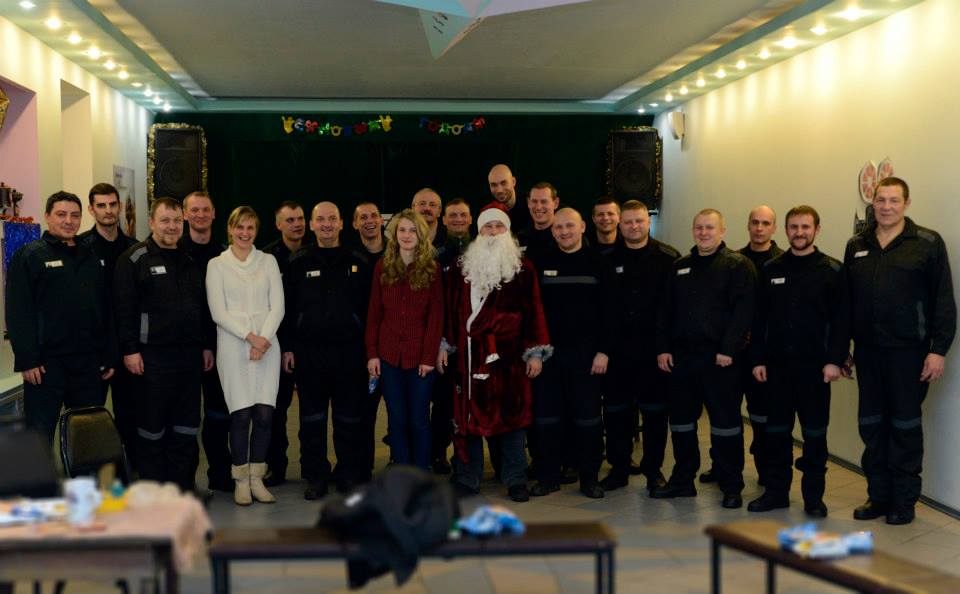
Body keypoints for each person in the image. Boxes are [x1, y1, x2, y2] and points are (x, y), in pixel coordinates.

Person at [845, 177, 956, 525]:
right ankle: (878, 496)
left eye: (894, 200)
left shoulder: (927, 243)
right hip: (867, 353)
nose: (886, 206)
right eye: (881, 200)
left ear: (906, 203)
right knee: (871, 425)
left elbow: (943, 300)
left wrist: (938, 350)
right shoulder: (857, 244)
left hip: (909, 354)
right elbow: (846, 303)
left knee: (904, 427)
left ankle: (903, 502)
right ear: (873, 203)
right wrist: (841, 349)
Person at [441, 203, 551, 501]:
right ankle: (468, 477)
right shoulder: (461, 267)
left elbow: (534, 312)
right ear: (479, 231)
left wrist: (535, 352)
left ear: (507, 230)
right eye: (487, 226)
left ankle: (515, 479)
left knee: (512, 419)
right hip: (469, 357)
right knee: (467, 419)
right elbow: (450, 310)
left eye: (498, 226)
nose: (492, 232)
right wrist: (445, 345)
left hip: (509, 359)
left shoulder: (522, 268)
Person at [748, 205, 848, 517]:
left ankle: (813, 498)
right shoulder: (771, 269)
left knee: (815, 436)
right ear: (786, 230)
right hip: (777, 369)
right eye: (794, 227)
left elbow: (842, 321)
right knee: (776, 434)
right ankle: (776, 493)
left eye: (805, 227)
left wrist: (834, 360)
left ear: (817, 230)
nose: (799, 232)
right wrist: (757, 359)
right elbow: (759, 319)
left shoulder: (832, 270)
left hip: (816, 370)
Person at [653, 208, 754, 509]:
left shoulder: (737, 265)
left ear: (722, 231)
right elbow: (665, 312)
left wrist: (728, 349)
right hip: (682, 360)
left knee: (726, 424)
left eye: (710, 227)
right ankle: (683, 480)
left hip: (720, 361)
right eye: (699, 227)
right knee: (681, 423)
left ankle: (731, 484)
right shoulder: (680, 267)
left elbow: (743, 312)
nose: (704, 233)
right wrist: (663, 348)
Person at [114, 197, 215, 492]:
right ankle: (153, 490)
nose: (172, 227)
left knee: (186, 427)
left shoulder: (189, 259)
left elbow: (201, 308)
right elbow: (124, 310)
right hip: (151, 358)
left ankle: (182, 488)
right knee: (151, 428)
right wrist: (131, 350)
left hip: (189, 357)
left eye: (176, 221)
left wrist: (205, 346)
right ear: (152, 222)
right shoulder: (134, 259)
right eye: (165, 220)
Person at [6, 191, 114, 444]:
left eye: (75, 215)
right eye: (61, 214)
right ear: (47, 216)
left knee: (89, 436)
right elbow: (18, 310)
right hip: (45, 366)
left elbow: (104, 308)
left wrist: (109, 353)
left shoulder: (90, 256)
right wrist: (28, 360)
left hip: (87, 363)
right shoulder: (30, 255)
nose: (68, 221)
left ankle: (84, 475)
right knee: (39, 437)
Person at [281, 202, 373, 499]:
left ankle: (348, 474)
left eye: (332, 219)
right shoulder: (297, 261)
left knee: (349, 418)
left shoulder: (359, 260)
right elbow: (286, 309)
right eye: (320, 219)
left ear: (342, 223)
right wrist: (288, 348)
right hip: (309, 353)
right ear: (312, 224)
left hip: (351, 352)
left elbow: (371, 309)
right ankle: (315, 476)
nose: (327, 224)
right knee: (312, 418)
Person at [531, 207, 615, 499]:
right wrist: (534, 352)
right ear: (552, 231)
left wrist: (603, 351)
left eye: (569, 225)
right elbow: (532, 311)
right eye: (558, 227)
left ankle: (589, 478)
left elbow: (610, 312)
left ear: (582, 227)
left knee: (588, 420)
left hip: (587, 358)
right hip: (548, 357)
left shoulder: (598, 263)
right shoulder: (541, 262)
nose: (564, 231)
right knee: (547, 420)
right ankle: (548, 477)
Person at [206, 206, 285, 506]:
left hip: (268, 344)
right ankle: (240, 480)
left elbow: (278, 306)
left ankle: (256, 478)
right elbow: (218, 312)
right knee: (240, 414)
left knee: (264, 414)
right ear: (230, 229)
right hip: (233, 345)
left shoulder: (268, 261)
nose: (245, 233)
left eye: (250, 228)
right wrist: (250, 337)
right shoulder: (217, 265)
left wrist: (263, 339)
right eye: (240, 227)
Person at [601, 200, 679, 494]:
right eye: (628, 222)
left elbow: (674, 309)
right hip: (617, 353)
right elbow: (602, 309)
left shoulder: (669, 258)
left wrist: (666, 347)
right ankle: (618, 469)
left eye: (639, 221)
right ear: (620, 225)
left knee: (656, 415)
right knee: (616, 414)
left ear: (648, 222)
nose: (634, 226)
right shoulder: (606, 259)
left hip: (654, 353)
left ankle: (653, 471)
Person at [365, 209, 444, 470]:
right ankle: (401, 472)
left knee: (419, 419)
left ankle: (421, 473)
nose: (407, 235)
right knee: (396, 419)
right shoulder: (382, 267)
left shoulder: (432, 269)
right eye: (402, 230)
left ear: (421, 235)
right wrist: (372, 353)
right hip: (388, 358)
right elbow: (374, 314)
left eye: (412, 231)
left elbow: (436, 317)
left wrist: (428, 357)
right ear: (394, 234)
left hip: (420, 359)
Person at [77, 183, 138, 461]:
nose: (108, 210)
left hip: (128, 348)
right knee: (90, 418)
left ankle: (131, 472)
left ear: (120, 207)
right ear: (92, 210)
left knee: (131, 415)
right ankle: (94, 475)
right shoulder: (80, 248)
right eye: (101, 205)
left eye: (113, 204)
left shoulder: (134, 248)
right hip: (94, 350)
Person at [179, 191, 233, 493]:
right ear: (185, 215)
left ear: (214, 214)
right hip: (185, 348)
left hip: (220, 348)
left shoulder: (226, 255)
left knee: (218, 415)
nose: (200, 215)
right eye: (194, 210)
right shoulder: (175, 252)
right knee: (185, 418)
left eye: (205, 210)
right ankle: (185, 479)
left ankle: (220, 474)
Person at [261, 201, 305, 487]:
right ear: (278, 224)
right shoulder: (266, 258)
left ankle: (312, 467)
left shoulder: (313, 252)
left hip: (309, 345)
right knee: (276, 411)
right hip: (276, 346)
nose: (296, 224)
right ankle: (276, 466)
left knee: (311, 411)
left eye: (300, 219)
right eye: (289, 220)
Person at [430, 198, 473, 474]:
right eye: (453, 215)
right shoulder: (436, 256)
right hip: (445, 343)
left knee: (474, 401)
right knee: (444, 403)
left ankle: (468, 457)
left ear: (470, 219)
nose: (458, 219)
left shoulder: (480, 251)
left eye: (463, 215)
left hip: (474, 343)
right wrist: (440, 341)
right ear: (444, 220)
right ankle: (438, 453)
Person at [516, 182, 560, 268]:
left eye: (544, 201)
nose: (538, 207)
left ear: (556, 203)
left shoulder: (566, 237)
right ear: (528, 202)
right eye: (534, 201)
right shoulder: (519, 239)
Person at [488, 164, 532, 232]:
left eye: (503, 183)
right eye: (494, 185)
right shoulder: (489, 211)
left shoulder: (531, 204)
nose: (499, 190)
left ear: (513, 182)